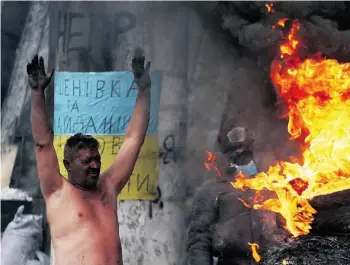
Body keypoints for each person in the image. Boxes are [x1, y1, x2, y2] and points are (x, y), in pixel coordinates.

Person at [27, 52, 151, 265]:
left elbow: (134, 139)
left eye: (96, 159)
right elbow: (42, 144)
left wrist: (144, 92)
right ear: (67, 165)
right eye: (86, 162)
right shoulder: (58, 192)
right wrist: (37, 94)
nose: (94, 165)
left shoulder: (108, 187)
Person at [186, 126, 290, 265]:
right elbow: (200, 240)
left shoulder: (272, 185)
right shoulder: (211, 191)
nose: (241, 155)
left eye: (246, 152)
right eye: (236, 152)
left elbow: (291, 229)